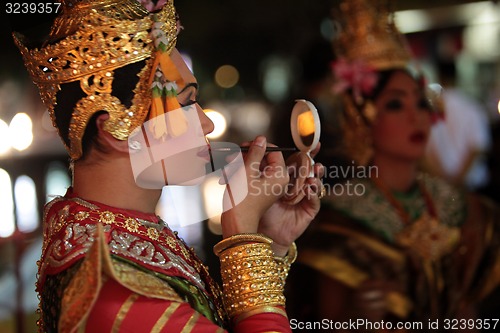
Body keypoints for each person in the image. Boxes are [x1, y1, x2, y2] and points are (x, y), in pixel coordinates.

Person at [12, 0, 325, 332]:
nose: (206, 124)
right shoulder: (115, 295)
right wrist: (243, 239)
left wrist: (269, 242)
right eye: (188, 103)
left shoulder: (120, 235)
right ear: (116, 130)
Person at [287, 0, 500, 331]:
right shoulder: (339, 216)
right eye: (396, 104)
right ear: (362, 120)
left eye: (421, 102)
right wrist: (358, 315)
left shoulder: (460, 207)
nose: (417, 116)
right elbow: (323, 322)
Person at [424, 60, 492, 192]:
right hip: (472, 187)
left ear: (439, 77)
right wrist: (460, 179)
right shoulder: (472, 107)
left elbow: (423, 151)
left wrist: (446, 179)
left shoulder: (428, 110)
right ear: (457, 77)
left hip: (439, 187)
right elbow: (478, 148)